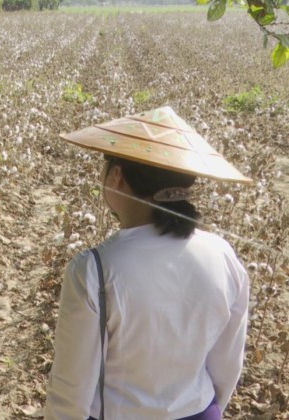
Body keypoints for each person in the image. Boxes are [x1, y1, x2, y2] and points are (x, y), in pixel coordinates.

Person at [44, 107, 251, 420]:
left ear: (116, 177)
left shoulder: (95, 269)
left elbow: (71, 390)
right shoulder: (222, 255)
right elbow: (227, 365)